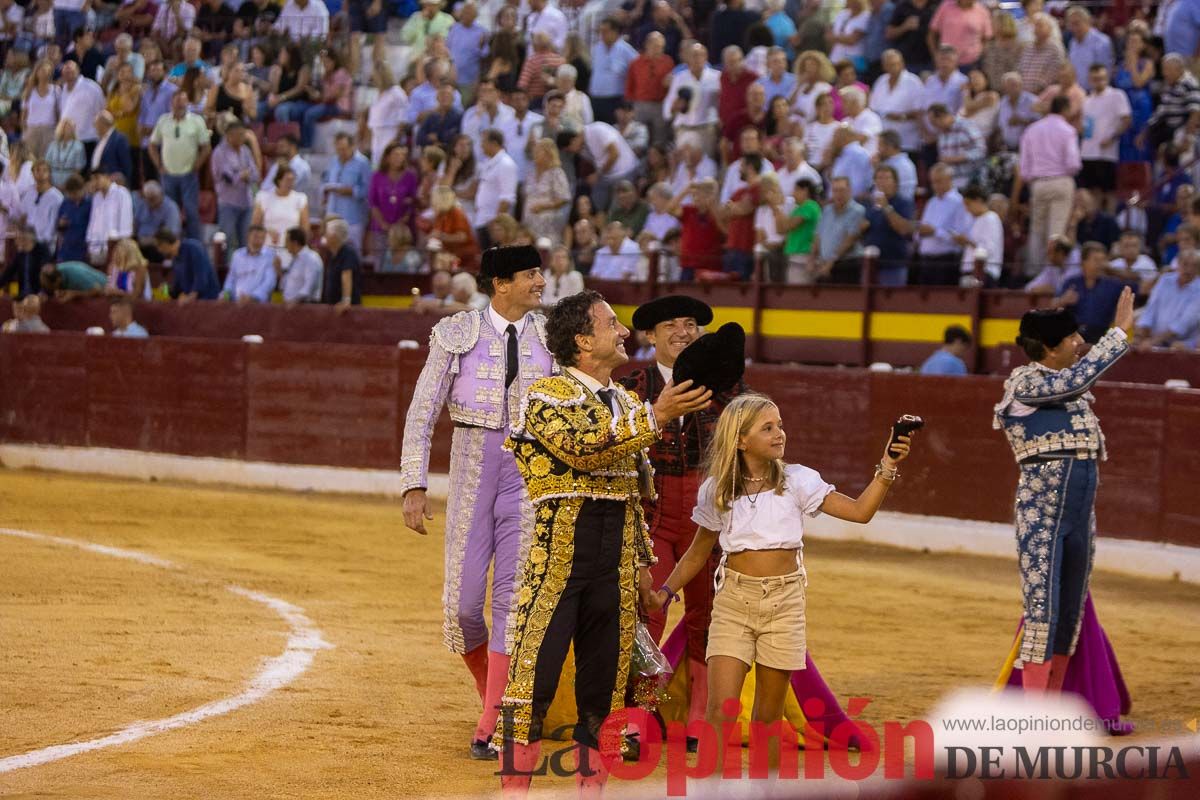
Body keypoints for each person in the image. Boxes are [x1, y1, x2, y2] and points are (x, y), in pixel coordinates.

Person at [499, 290, 712, 795]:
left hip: (614, 570)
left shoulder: (628, 402)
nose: (623, 332)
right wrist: (655, 417)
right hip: (556, 570)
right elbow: (584, 449)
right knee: (530, 686)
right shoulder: (544, 396)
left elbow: (639, 495)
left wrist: (642, 568)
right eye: (611, 324)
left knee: (606, 696)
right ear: (581, 341)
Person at [644, 392, 914, 772]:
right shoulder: (717, 490)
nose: (779, 434)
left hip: (784, 604)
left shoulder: (799, 481)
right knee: (719, 711)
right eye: (767, 428)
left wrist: (887, 465)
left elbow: (860, 512)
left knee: (768, 717)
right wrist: (665, 593)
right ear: (740, 439)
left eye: (780, 425)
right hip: (734, 602)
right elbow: (697, 552)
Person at [400, 245, 553, 760]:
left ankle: (496, 718)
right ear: (500, 283)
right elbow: (423, 411)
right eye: (531, 274)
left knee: (513, 599)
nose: (540, 281)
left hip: (529, 472)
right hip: (471, 463)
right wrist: (413, 484)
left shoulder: (551, 336)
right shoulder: (456, 332)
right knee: (463, 607)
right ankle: (500, 694)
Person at [993, 289, 1134, 693]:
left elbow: (1077, 380)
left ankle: (1051, 706)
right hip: (1042, 517)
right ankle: (1034, 713)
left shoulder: (1070, 392)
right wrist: (1118, 334)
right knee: (1043, 613)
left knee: (1069, 614)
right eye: (1072, 337)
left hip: (1079, 518)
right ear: (1049, 348)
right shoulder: (1025, 384)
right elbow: (1079, 376)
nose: (1080, 342)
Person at [617, 295, 738, 743]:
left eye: (690, 324)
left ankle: (698, 717)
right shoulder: (633, 385)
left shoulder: (727, 388)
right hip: (652, 517)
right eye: (672, 324)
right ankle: (636, 717)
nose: (684, 332)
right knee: (646, 610)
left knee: (708, 619)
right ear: (650, 335)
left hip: (710, 519)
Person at [150, 89, 211, 241]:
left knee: (191, 211)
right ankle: (171, 245)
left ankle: (195, 244)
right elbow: (152, 144)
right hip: (168, 174)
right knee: (170, 212)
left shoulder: (196, 121)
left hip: (188, 174)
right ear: (171, 102)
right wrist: (159, 165)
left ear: (187, 102)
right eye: (176, 100)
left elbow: (206, 147)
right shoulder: (163, 120)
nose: (179, 103)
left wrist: (197, 165)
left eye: (183, 100)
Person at [1132, 248, 1200, 351]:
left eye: (1194, 266)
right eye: (1185, 264)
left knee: (1177, 347)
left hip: (1183, 344)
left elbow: (1184, 323)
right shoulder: (1165, 280)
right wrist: (1140, 337)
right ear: (1178, 264)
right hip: (1154, 339)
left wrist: (1153, 342)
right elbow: (1151, 309)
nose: (1189, 269)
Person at [211, 120, 260, 254]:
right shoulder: (219, 153)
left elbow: (255, 174)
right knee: (227, 241)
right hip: (228, 204)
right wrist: (242, 175)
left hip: (246, 203)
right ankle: (226, 270)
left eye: (243, 135)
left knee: (246, 241)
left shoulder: (245, 151)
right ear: (230, 136)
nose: (243, 138)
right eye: (240, 135)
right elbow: (228, 178)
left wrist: (244, 175)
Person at [810, 176, 866, 284]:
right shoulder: (827, 210)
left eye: (842, 190)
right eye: (835, 190)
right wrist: (812, 258)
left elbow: (849, 240)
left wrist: (830, 263)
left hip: (847, 265)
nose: (838, 194)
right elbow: (818, 235)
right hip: (824, 265)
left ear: (849, 191)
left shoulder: (858, 211)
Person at [155, 228, 220, 302]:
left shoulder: (193, 247)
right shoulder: (175, 258)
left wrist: (189, 298)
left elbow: (201, 277)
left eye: (158, 246)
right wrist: (166, 289)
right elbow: (178, 288)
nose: (158, 250)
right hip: (193, 303)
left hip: (207, 302)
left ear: (165, 244)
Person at [222, 224, 276, 304]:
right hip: (236, 302)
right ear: (248, 236)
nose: (259, 240)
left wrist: (253, 297)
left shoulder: (270, 255)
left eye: (262, 238)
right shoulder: (238, 255)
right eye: (256, 237)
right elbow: (231, 278)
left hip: (257, 304)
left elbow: (269, 282)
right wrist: (226, 295)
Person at [1, 225, 53, 299]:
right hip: (22, 294)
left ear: (25, 239)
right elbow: (9, 272)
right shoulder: (21, 254)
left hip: (38, 296)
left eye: (17, 238)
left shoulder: (43, 250)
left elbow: (47, 273)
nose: (15, 241)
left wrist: (44, 291)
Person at [321, 218, 361, 309]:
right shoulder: (332, 254)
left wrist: (346, 300)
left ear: (334, 236)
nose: (325, 236)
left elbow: (347, 275)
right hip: (333, 306)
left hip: (347, 310)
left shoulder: (348, 252)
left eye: (327, 233)